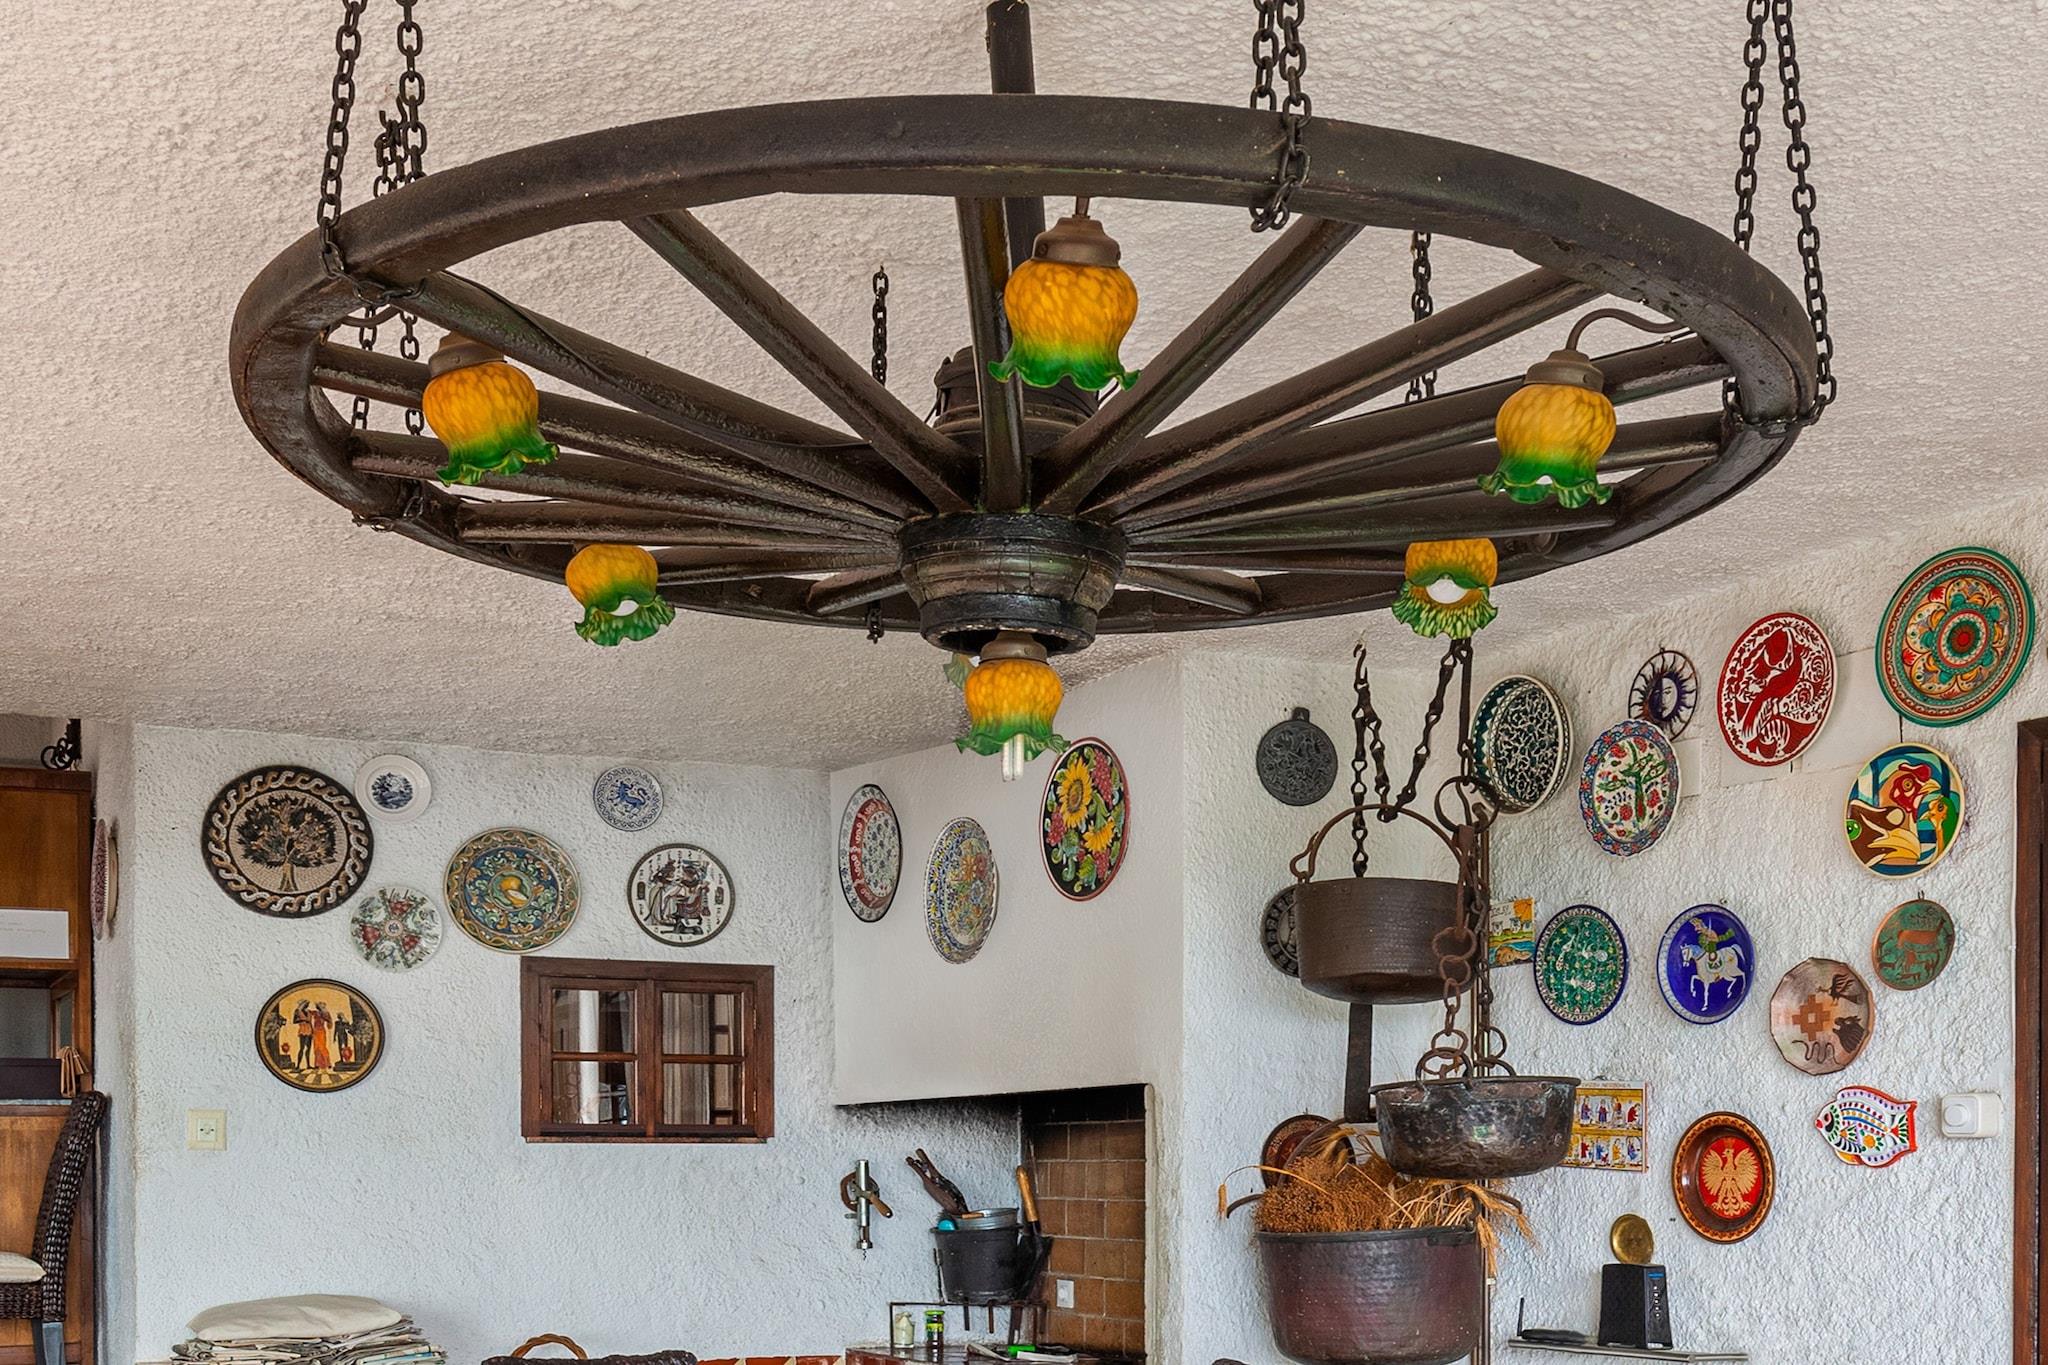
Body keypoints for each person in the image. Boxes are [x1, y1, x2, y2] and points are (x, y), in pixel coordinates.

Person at [310, 1002, 334, 1071]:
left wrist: (327, 1018)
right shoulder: (315, 1012)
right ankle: (317, 1064)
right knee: (316, 1047)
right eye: (319, 1006)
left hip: (321, 1031)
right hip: (315, 1032)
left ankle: (328, 1063)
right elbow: (309, 1012)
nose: (320, 1007)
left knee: (322, 1047)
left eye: (322, 1006)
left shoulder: (325, 1013)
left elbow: (330, 1023)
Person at [292, 1000, 315, 1070]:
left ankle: (308, 1065)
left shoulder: (308, 1012)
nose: (307, 1005)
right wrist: (303, 1021)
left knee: (308, 1048)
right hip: (303, 1030)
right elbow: (294, 1021)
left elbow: (310, 1022)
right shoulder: (297, 1011)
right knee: (302, 1048)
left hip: (309, 1031)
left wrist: (312, 1031)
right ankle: (298, 1065)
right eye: (306, 1004)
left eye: (307, 1004)